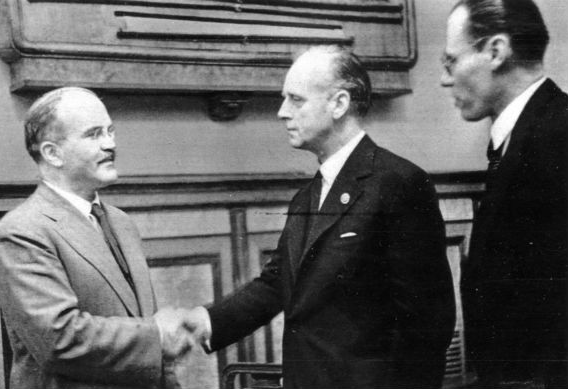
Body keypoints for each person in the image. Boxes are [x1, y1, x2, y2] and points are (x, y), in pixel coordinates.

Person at [185, 45, 456, 389]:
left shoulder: (398, 184)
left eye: (296, 100)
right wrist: (204, 322)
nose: (282, 112)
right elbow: (276, 284)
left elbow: (428, 326)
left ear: (339, 104)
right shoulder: (306, 198)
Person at [0, 87, 193, 389]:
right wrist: (157, 336)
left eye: (110, 131)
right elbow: (60, 339)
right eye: (94, 134)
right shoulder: (22, 231)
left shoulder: (121, 223)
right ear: (52, 153)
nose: (110, 144)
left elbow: (148, 340)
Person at [441, 1, 568, 387]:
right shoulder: (530, 133)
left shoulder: (556, 137)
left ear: (496, 51)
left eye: (451, 62)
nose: (446, 80)